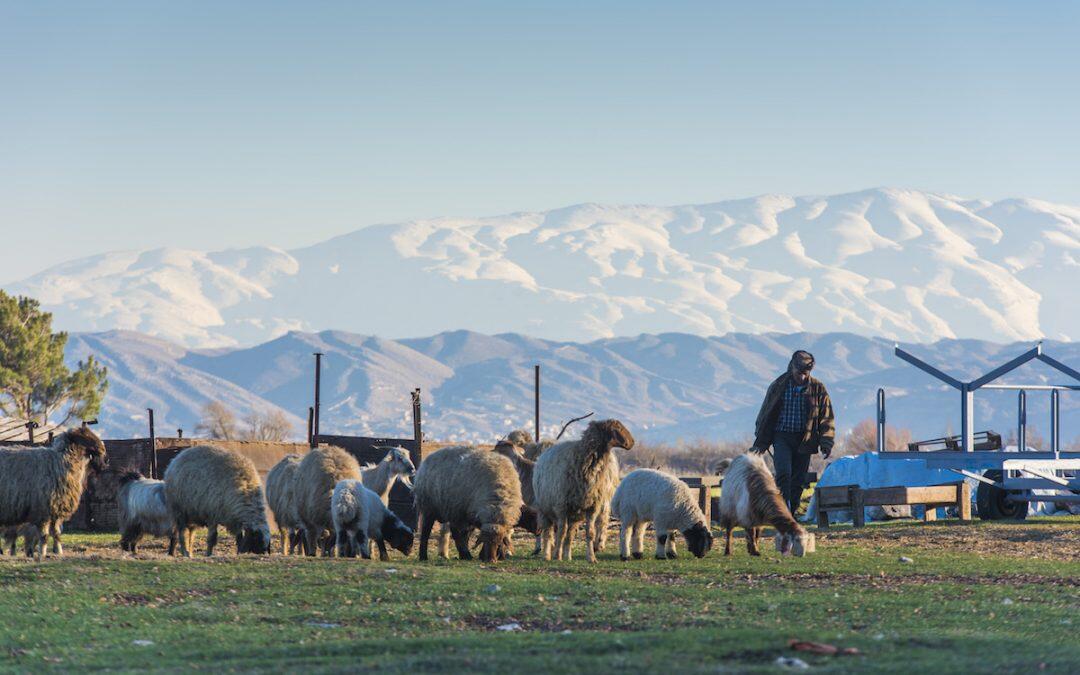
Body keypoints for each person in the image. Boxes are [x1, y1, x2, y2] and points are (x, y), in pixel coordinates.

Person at [751, 350, 835, 517]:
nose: (802, 377)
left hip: (805, 439)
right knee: (783, 474)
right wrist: (760, 444)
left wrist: (826, 442)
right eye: (799, 373)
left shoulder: (818, 389)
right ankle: (782, 512)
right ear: (791, 368)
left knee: (798, 480)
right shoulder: (778, 386)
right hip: (782, 437)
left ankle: (791, 512)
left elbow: (826, 418)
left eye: (806, 374)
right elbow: (765, 415)